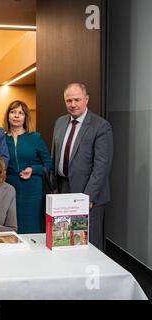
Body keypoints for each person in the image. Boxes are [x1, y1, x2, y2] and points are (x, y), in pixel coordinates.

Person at [52, 83, 113, 251]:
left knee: (88, 243)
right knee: (64, 239)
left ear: (86, 99)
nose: (73, 104)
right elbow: (56, 155)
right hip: (63, 190)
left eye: (77, 99)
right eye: (68, 100)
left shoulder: (100, 126)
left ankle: (93, 275)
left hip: (87, 194)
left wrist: (89, 197)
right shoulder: (60, 122)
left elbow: (102, 166)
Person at [4, 100, 53, 234]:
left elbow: (49, 163)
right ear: (8, 115)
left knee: (32, 226)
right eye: (13, 112)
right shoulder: (1, 138)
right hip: (9, 187)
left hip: (32, 188)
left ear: (25, 117)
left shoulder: (35, 137)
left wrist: (34, 169)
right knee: (11, 225)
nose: (16, 115)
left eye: (21, 113)